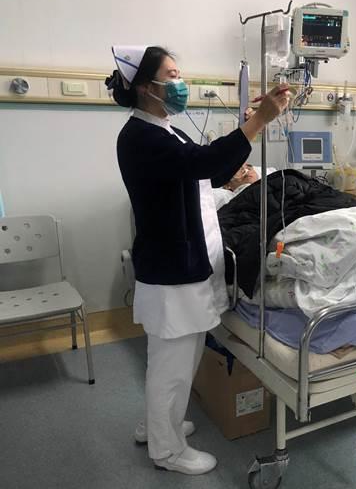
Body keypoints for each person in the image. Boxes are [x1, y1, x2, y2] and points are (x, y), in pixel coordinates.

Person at [107, 45, 290, 475]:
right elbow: (203, 162)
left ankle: (159, 426)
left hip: (179, 261)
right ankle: (166, 450)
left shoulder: (164, 130)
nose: (180, 83)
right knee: (172, 364)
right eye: (172, 76)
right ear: (146, 87)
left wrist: (250, 127)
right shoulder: (141, 137)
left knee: (172, 360)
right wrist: (258, 122)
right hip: (171, 270)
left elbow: (210, 170)